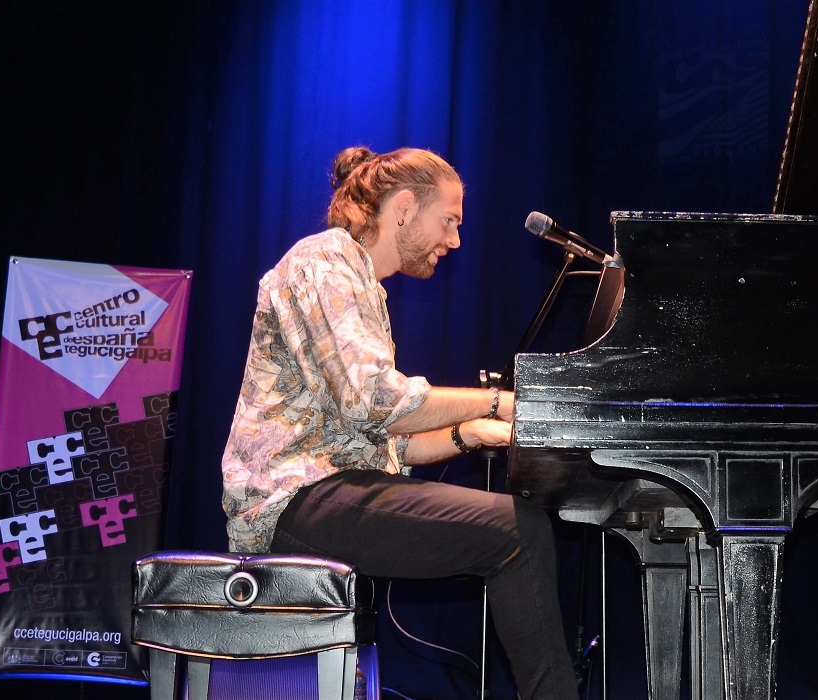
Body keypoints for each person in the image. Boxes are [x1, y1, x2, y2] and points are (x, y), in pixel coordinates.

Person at [221, 145, 580, 699]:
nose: (455, 241)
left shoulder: (361, 281)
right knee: (518, 532)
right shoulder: (322, 263)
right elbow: (377, 402)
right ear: (405, 207)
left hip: (325, 488)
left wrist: (467, 435)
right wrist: (495, 403)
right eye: (450, 221)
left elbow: (375, 442)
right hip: (290, 500)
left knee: (520, 528)